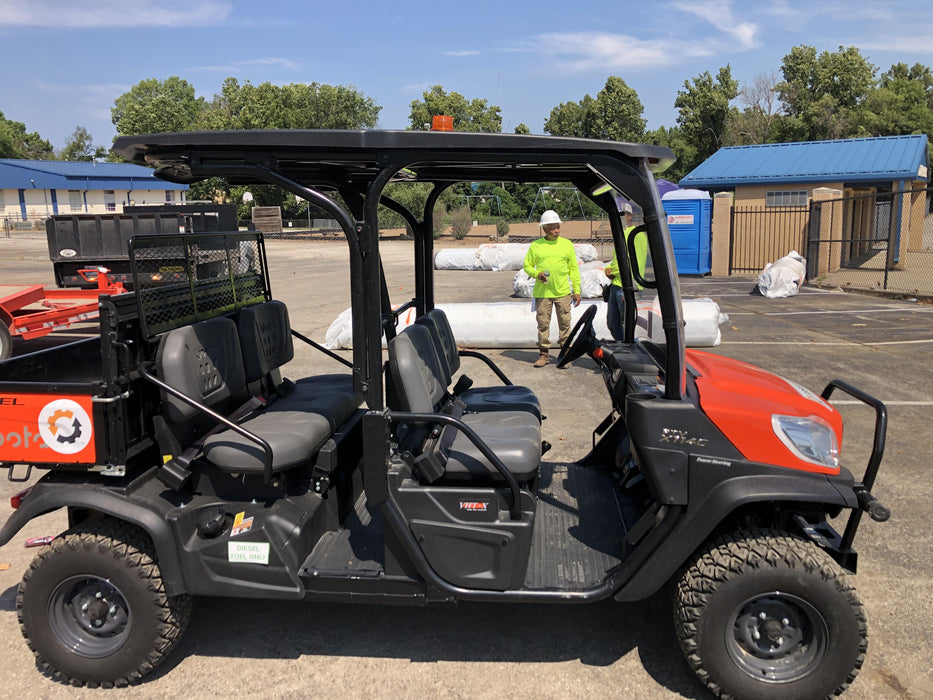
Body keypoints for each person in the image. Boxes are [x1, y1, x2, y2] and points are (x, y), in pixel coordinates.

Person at [523, 210, 581, 367]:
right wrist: (536, 274)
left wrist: (576, 290)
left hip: (562, 292)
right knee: (543, 323)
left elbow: (573, 269)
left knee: (565, 322)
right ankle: (544, 354)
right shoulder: (536, 246)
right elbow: (527, 265)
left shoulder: (567, 245)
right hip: (543, 293)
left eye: (558, 227)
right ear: (544, 229)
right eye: (553, 228)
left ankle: (565, 353)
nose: (556, 231)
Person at [604, 202, 647, 341]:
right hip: (616, 284)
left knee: (626, 322)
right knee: (612, 322)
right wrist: (609, 269)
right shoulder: (622, 234)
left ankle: (628, 346)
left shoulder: (636, 235)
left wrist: (631, 286)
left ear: (630, 216)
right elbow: (619, 259)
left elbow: (635, 262)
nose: (620, 218)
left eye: (622, 214)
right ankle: (622, 344)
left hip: (627, 286)